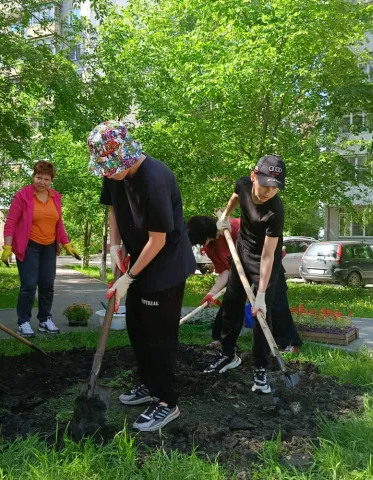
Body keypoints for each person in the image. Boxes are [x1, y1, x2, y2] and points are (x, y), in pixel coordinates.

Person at [88, 120, 195, 432]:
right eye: (104, 169)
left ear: (126, 156)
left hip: (166, 265)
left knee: (158, 336)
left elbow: (158, 240)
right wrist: (114, 245)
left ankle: (166, 401)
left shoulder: (155, 179)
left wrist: (128, 278)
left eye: (111, 168)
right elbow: (113, 208)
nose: (107, 174)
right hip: (138, 259)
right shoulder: (114, 172)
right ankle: (149, 384)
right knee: (136, 327)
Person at [203, 155, 302, 395]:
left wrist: (261, 295)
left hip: (264, 262)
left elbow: (268, 256)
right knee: (231, 304)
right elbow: (235, 197)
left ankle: (260, 369)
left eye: (275, 187)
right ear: (253, 176)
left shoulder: (275, 210)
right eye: (266, 184)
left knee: (261, 314)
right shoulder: (243, 185)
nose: (269, 191)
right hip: (242, 251)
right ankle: (228, 354)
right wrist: (225, 217)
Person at [1, 161, 81, 337]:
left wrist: (66, 243)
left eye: (46, 179)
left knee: (47, 285)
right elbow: (11, 222)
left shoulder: (55, 197)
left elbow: (58, 223)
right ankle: (23, 322)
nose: (42, 182)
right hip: (29, 246)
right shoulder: (23, 196)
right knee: (29, 285)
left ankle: (45, 320)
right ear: (33, 176)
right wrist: (7, 246)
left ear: (51, 180)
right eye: (39, 177)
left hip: (49, 247)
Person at [186, 215, 240, 346]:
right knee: (231, 300)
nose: (203, 243)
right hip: (238, 271)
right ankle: (222, 338)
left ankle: (284, 342)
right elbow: (225, 272)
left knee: (273, 301)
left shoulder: (232, 227)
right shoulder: (210, 247)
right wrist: (211, 294)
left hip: (264, 260)